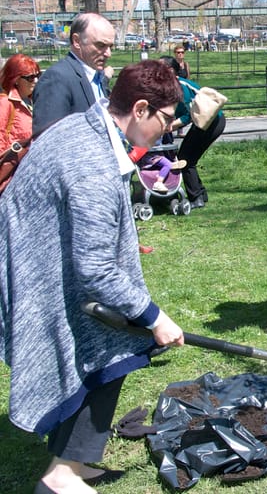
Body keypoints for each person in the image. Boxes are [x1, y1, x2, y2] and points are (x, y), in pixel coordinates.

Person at [0, 59, 185, 494]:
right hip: (39, 270)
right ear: (139, 109)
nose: (168, 130)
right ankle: (61, 476)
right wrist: (156, 318)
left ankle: (75, 461)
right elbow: (97, 268)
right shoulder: (93, 164)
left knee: (111, 345)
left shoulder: (88, 125)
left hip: (48, 257)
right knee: (108, 347)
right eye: (166, 120)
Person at [159, 55, 226, 209]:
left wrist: (169, 127)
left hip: (212, 122)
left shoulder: (179, 86)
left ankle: (196, 198)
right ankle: (201, 194)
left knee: (185, 159)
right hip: (204, 123)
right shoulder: (170, 87)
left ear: (169, 70)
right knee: (189, 158)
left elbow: (189, 115)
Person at [32, 13, 115, 135]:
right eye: (100, 45)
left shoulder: (97, 76)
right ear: (77, 41)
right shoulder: (57, 79)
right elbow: (48, 141)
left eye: (110, 46)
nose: (108, 53)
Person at [0, 54, 40, 150]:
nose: (36, 80)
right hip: (17, 163)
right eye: (30, 77)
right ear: (16, 80)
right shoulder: (5, 103)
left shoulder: (35, 100)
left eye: (38, 75)